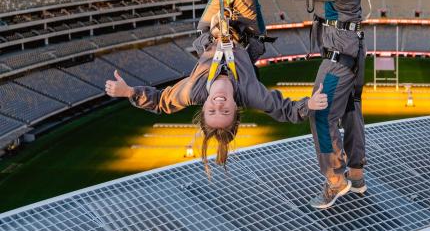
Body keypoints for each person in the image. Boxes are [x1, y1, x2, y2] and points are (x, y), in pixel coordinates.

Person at [224, 0, 366, 210]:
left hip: (340, 54)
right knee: (350, 111)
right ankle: (358, 176)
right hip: (349, 50)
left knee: (320, 113)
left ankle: (336, 181)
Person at [105, 30, 328, 177]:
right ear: (236, 109)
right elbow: (285, 111)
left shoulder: (191, 92)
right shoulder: (251, 94)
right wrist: (309, 104)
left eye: (212, 110)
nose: (218, 104)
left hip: (210, 30)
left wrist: (128, 92)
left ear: (202, 107)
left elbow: (161, 102)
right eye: (225, 110)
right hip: (244, 29)